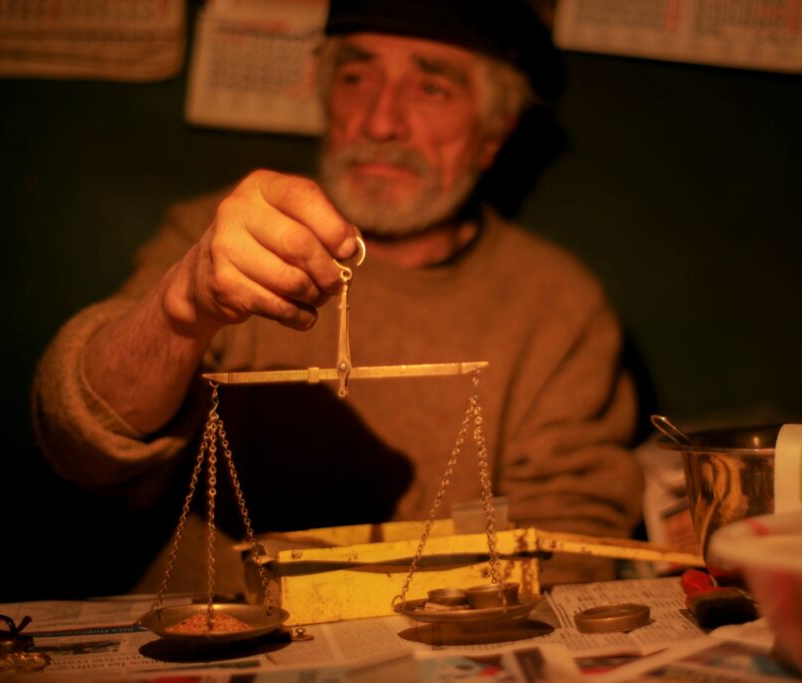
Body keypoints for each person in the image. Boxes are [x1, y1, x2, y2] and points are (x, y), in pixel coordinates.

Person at [32, 0, 644, 592]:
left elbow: (567, 547)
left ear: (493, 131)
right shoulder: (216, 240)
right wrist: (181, 312)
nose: (381, 122)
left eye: (432, 89)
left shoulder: (556, 305)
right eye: (357, 77)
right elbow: (80, 442)